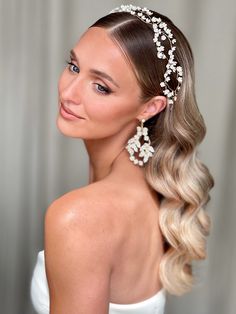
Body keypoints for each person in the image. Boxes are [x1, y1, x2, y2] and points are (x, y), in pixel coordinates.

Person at [30, 4, 214, 314]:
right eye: (73, 66)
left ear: (149, 108)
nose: (69, 93)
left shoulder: (78, 218)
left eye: (101, 87)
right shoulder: (158, 195)